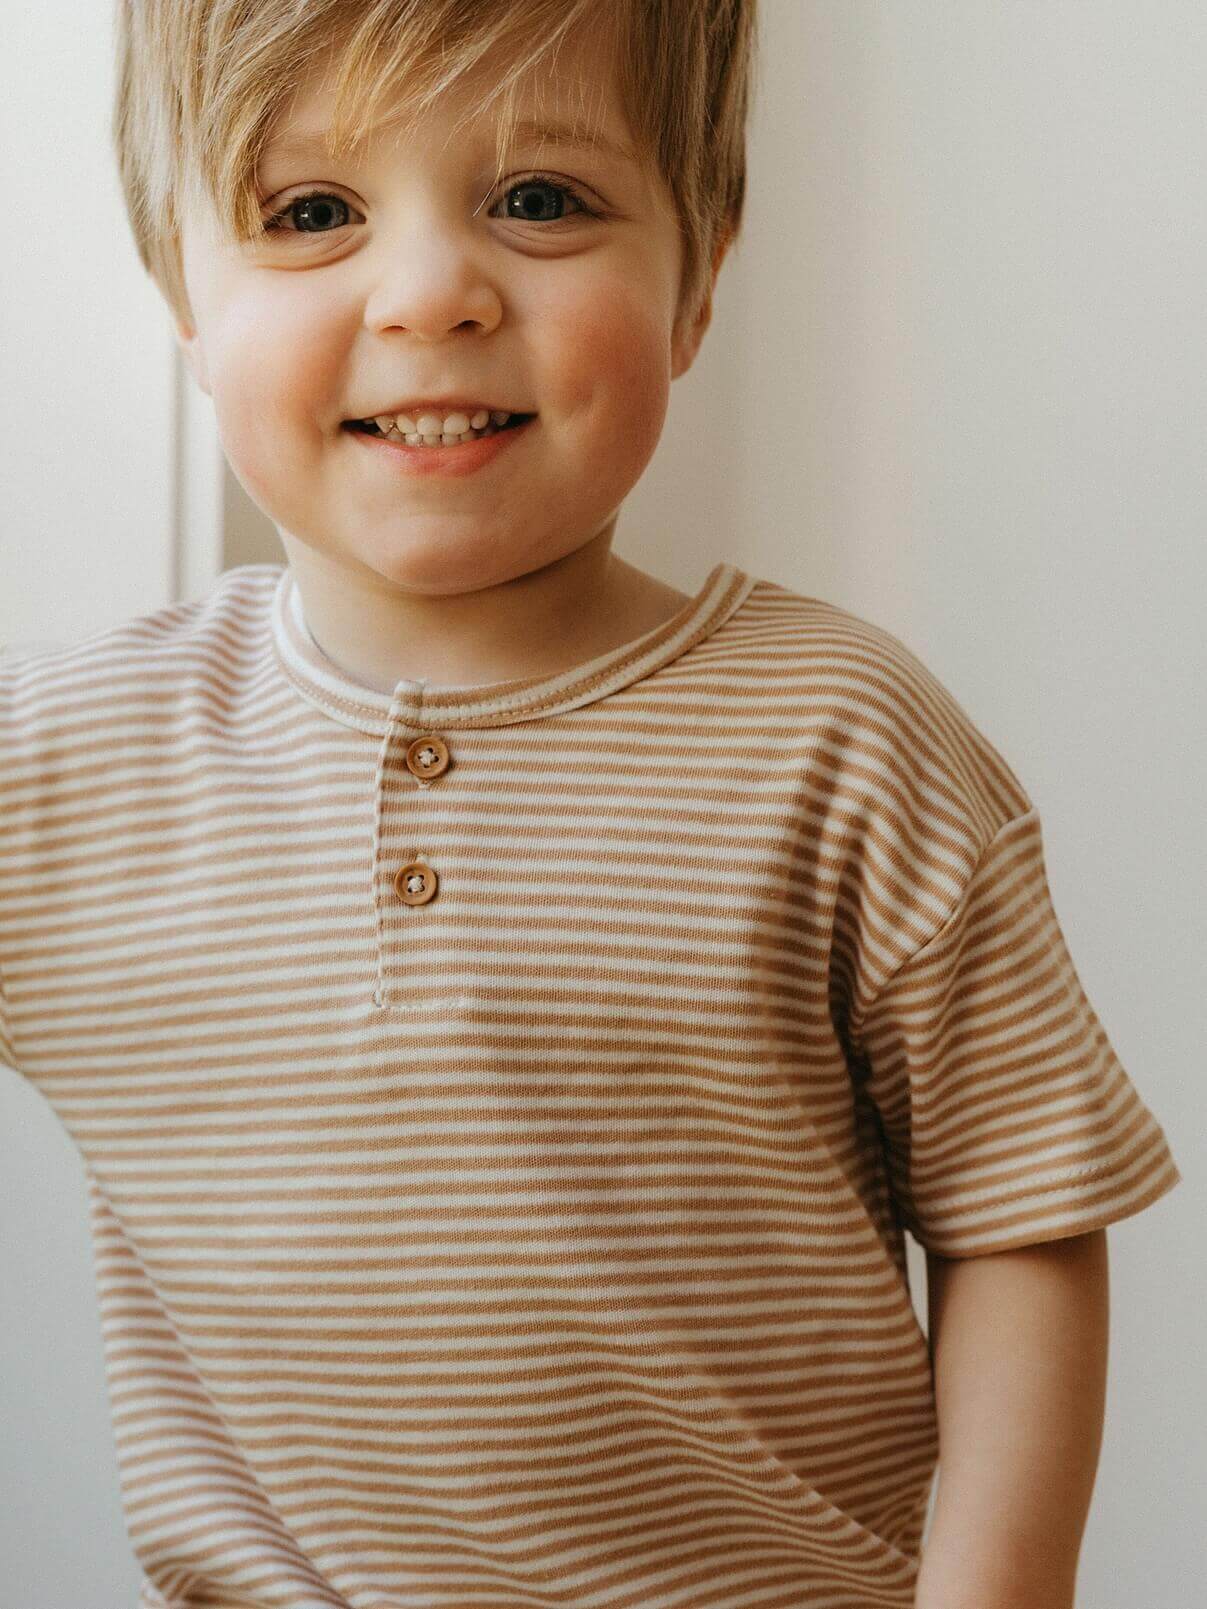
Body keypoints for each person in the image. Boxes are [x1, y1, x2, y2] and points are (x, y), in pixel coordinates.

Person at [0, 2, 1180, 1606]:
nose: (430, 294)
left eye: (540, 199)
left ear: (699, 275)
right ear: (177, 288)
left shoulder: (844, 744)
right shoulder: (66, 769)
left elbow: (1020, 1217)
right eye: (313, 211)